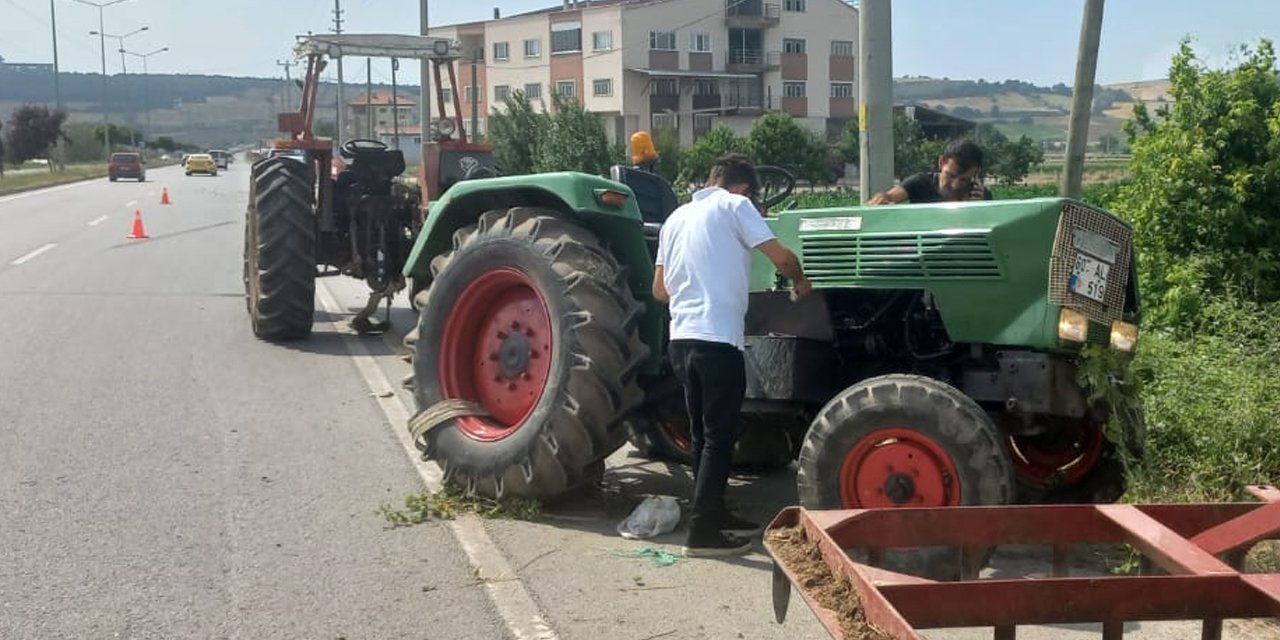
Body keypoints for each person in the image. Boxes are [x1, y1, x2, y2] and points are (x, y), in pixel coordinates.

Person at [652, 153, 812, 557]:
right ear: (742, 187)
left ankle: (713, 513)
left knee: (704, 436)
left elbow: (659, 290)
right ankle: (702, 533)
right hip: (716, 340)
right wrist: (802, 283)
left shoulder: (675, 219)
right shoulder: (736, 206)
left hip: (681, 341)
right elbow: (782, 258)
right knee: (719, 438)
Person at [867, 138, 993, 205]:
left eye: (964, 180)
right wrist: (881, 199)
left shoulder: (980, 195)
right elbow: (890, 197)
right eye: (951, 175)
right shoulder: (921, 183)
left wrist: (977, 209)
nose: (955, 185)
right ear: (941, 162)